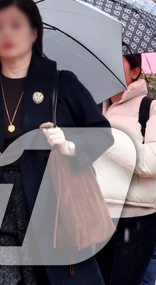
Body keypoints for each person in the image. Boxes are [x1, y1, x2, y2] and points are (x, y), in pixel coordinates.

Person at [0, 0, 112, 285]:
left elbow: (102, 134)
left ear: (34, 32)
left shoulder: (62, 84)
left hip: (51, 203)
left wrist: (69, 143)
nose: (7, 33)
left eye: (16, 24)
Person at [95, 50, 156, 285]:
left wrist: (108, 140)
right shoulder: (94, 110)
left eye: (116, 64)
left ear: (135, 72)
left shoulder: (150, 109)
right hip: (99, 215)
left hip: (137, 217)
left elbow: (150, 163)